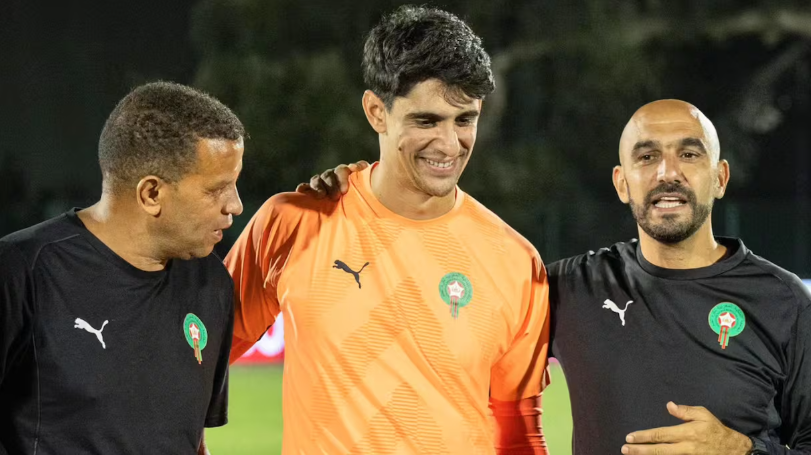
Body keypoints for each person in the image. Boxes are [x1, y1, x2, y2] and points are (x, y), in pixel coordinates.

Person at [304, 100, 811, 454]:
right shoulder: (571, 288)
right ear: (622, 183)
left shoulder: (784, 303)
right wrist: (370, 191)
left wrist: (743, 451)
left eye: (690, 153)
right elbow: (438, 309)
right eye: (647, 156)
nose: (667, 172)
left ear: (719, 178)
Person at [225, 5, 550, 454]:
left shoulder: (516, 262)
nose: (449, 144)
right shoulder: (295, 223)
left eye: (465, 119)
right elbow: (194, 360)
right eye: (426, 120)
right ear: (376, 111)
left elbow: (520, 433)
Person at [0, 81, 245, 455]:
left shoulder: (212, 283)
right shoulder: (23, 271)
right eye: (216, 189)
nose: (235, 205)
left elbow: (193, 440)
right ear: (151, 194)